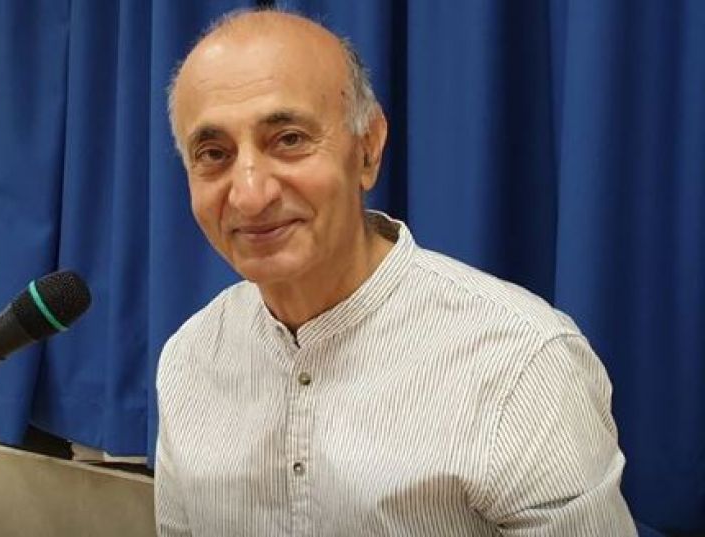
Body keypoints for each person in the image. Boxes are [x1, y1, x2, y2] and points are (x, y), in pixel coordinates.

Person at [155, 8, 637, 536]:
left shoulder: (521, 364)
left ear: (368, 148)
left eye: (289, 139)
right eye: (213, 153)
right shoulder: (188, 360)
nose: (249, 196)